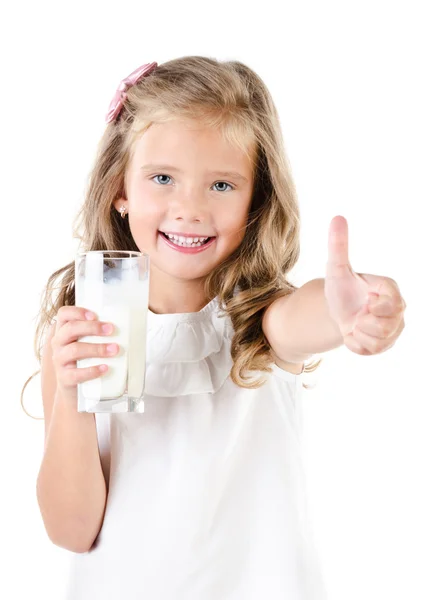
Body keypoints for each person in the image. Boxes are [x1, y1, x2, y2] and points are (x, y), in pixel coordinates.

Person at [25, 56, 406, 600]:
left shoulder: (260, 319)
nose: (190, 209)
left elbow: (306, 316)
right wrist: (72, 394)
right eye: (162, 179)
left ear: (256, 200)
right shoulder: (82, 336)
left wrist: (352, 309)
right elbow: (71, 530)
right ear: (120, 187)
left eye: (222, 185)